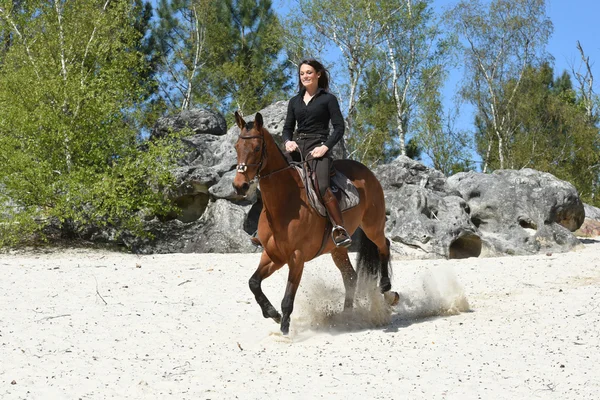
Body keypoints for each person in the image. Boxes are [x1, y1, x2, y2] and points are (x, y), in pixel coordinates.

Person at [282, 58, 351, 248]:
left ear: (318, 74)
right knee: (274, 178)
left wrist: (325, 147)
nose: (305, 76)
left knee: (321, 187)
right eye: (302, 73)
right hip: (297, 147)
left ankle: (339, 228)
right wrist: (288, 141)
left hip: (319, 146)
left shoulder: (328, 99)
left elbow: (339, 128)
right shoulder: (294, 101)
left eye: (309, 72)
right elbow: (287, 128)